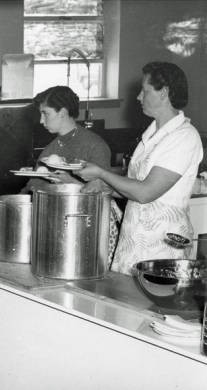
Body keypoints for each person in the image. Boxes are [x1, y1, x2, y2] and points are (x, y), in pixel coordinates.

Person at [75, 62, 203, 275]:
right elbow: (133, 187)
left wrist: (102, 173)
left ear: (164, 93)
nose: (138, 97)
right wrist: (104, 186)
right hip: (133, 241)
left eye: (145, 91)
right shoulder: (151, 135)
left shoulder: (184, 137)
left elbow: (145, 193)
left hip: (163, 245)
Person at [21, 86, 121, 263]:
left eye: (46, 114)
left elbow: (101, 196)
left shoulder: (94, 145)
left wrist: (69, 183)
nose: (41, 120)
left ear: (63, 112)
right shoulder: (50, 150)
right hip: (55, 227)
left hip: (88, 230)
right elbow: (31, 189)